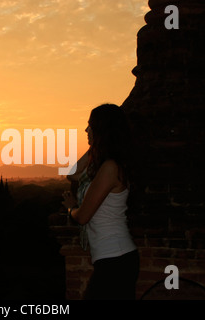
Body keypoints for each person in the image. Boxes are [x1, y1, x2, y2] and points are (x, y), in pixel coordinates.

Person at [62, 103, 139, 300]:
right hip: (112, 259)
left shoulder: (110, 168)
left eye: (91, 126)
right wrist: (94, 146)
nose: (86, 130)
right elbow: (71, 174)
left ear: (102, 130)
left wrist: (71, 208)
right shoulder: (104, 166)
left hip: (116, 259)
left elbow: (83, 216)